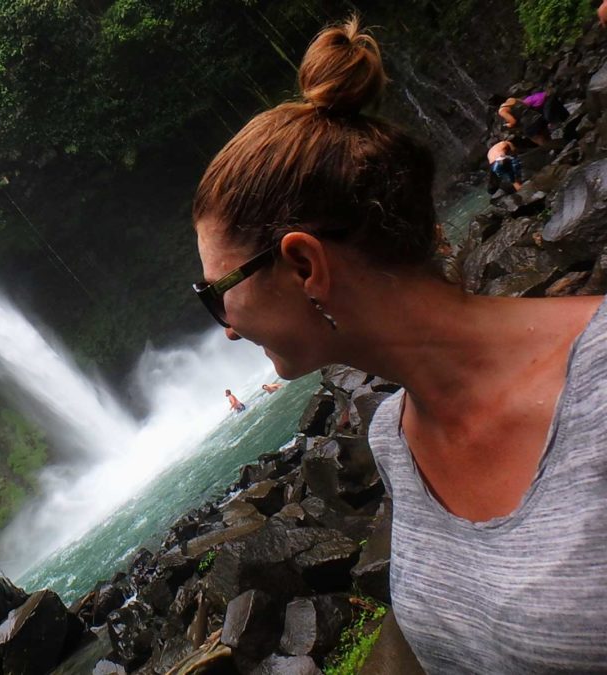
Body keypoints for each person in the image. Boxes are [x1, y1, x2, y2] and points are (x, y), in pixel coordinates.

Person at [191, 16, 607, 673]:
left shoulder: (599, 377)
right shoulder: (393, 437)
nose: (227, 327)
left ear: (304, 266)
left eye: (217, 294)